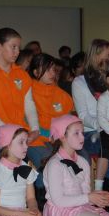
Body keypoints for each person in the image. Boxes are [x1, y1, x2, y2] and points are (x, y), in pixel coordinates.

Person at [0, 125, 57, 216]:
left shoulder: (26, 167)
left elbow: (31, 198)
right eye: (21, 142)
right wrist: (21, 215)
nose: (26, 146)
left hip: (24, 211)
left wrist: (34, 209)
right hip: (6, 215)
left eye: (26, 142)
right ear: (7, 145)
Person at [71, 39, 109, 189]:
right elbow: (83, 116)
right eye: (108, 55)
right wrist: (103, 124)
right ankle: (107, 189)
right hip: (91, 133)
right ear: (95, 56)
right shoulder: (79, 82)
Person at [28, 53, 74, 184]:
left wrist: (60, 137)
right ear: (36, 72)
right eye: (47, 69)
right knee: (49, 160)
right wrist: (49, 135)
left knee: (82, 157)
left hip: (59, 139)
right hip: (35, 140)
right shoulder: (27, 93)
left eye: (53, 69)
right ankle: (44, 194)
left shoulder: (62, 95)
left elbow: (69, 121)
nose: (52, 73)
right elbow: (26, 123)